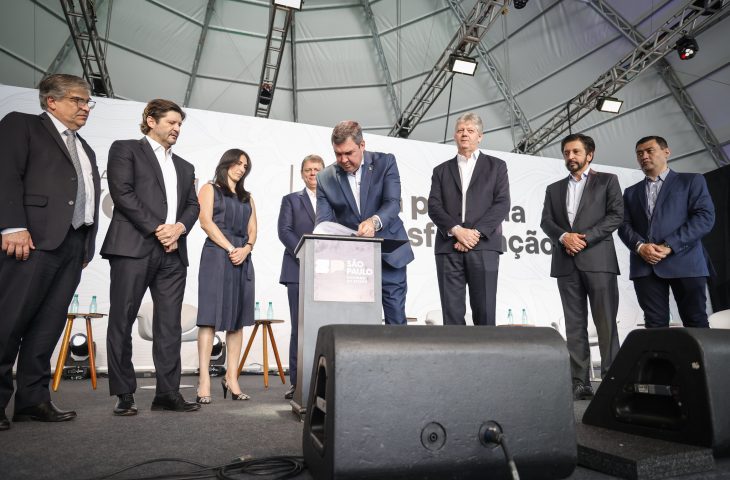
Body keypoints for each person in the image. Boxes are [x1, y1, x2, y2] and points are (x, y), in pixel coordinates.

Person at [0, 74, 101, 430]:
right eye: (77, 100)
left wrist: (85, 244)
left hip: (72, 246)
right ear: (51, 101)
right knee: (8, 323)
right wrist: (12, 225)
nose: (85, 107)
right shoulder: (22, 125)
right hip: (31, 240)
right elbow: (5, 174)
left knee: (48, 326)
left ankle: (33, 400)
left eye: (88, 101)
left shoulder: (84, 147)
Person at [101, 99, 201, 415]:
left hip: (173, 254)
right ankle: (123, 393)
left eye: (180, 124)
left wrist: (179, 228)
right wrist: (159, 229)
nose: (177, 128)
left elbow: (193, 205)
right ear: (151, 120)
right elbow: (122, 193)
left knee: (170, 325)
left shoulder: (185, 166)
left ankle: (168, 393)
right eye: (171, 122)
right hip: (133, 248)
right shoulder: (125, 149)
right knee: (122, 319)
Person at [540, 133, 623, 400]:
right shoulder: (554, 189)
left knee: (606, 324)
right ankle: (580, 382)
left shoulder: (608, 180)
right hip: (566, 263)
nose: (570, 157)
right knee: (574, 327)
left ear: (590, 154)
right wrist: (565, 237)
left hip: (599, 261)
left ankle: (611, 380)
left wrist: (583, 239)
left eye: (576, 152)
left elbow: (616, 216)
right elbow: (546, 222)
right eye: (566, 153)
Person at [316, 121, 414, 324]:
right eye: (338, 154)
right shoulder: (325, 178)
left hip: (389, 255)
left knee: (396, 320)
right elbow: (324, 224)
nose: (343, 160)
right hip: (352, 263)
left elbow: (392, 203)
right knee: (357, 325)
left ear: (362, 145)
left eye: (349, 153)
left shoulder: (385, 162)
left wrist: (374, 222)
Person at [618, 136, 715, 328]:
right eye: (639, 153)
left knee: (696, 321)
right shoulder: (630, 192)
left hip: (686, 262)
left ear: (666, 152)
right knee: (654, 326)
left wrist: (669, 245)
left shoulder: (692, 180)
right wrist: (640, 247)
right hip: (645, 266)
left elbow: (704, 218)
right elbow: (623, 225)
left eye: (649, 151)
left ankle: (699, 352)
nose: (644, 156)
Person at [427, 112, 510, 326]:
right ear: (454, 136)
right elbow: (434, 206)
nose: (464, 134)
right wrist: (457, 231)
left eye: (470, 130)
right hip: (448, 247)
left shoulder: (497, 166)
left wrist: (474, 234)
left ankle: (486, 351)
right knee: (451, 316)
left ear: (480, 136)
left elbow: (502, 203)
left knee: (485, 313)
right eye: (460, 130)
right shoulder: (440, 171)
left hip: (484, 247)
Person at [196, 149, 257, 403]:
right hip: (216, 255)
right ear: (226, 162)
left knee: (237, 321)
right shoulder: (209, 189)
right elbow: (205, 222)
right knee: (208, 318)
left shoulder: (247, 198)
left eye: (245, 166)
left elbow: (253, 229)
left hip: (242, 258)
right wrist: (231, 248)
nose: (241, 168)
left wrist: (246, 249)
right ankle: (203, 381)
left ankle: (232, 378)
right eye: (238, 163)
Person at [277, 154, 324, 400]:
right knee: (300, 327)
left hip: (328, 273)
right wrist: (305, 254)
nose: (312, 173)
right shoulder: (291, 200)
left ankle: (323, 383)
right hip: (297, 270)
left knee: (325, 327)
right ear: (302, 174)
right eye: (308, 170)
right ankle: (297, 384)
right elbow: (284, 231)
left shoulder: (335, 200)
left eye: (317, 169)